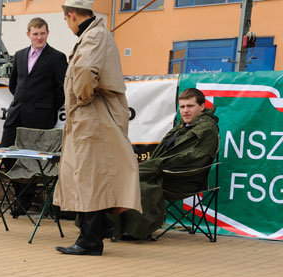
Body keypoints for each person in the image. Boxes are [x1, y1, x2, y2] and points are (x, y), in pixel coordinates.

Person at [52, 0, 141, 256]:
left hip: (92, 116)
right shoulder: (97, 34)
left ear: (71, 16)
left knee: (88, 177)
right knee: (92, 175)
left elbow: (86, 70)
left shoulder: (94, 36)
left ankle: (90, 241)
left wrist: (82, 98)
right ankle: (97, 231)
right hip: (92, 116)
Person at [113, 88, 220, 240]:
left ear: (202, 107)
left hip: (182, 179)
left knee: (135, 180)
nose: (185, 111)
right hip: (164, 170)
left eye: (190, 106)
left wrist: (158, 165)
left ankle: (136, 230)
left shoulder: (207, 129)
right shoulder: (182, 126)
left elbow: (195, 158)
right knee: (121, 175)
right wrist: (154, 165)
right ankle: (112, 226)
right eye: (182, 107)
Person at [0, 18, 67, 217]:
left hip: (41, 117)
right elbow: (14, 84)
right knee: (7, 155)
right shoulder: (19, 55)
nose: (39, 37)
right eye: (35, 33)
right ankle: (21, 194)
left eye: (42, 33)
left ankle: (23, 201)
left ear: (47, 33)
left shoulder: (56, 57)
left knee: (33, 160)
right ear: (28, 34)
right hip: (16, 114)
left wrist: (46, 108)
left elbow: (62, 90)